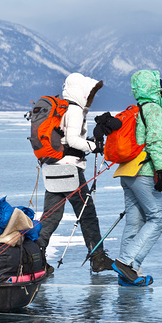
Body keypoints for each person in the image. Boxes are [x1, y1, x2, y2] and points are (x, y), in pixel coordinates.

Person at [37, 72, 114, 273]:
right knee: (87, 215)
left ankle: (35, 259)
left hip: (53, 168)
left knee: (50, 217)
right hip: (70, 170)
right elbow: (72, 140)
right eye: (89, 94)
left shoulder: (61, 110)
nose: (91, 99)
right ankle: (97, 258)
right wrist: (95, 146)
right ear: (81, 92)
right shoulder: (75, 111)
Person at [111, 70, 162, 287]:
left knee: (134, 223)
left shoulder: (136, 110)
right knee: (158, 219)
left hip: (126, 173)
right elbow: (154, 143)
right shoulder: (153, 109)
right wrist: (161, 171)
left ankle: (127, 274)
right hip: (143, 172)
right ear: (153, 88)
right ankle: (126, 262)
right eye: (159, 85)